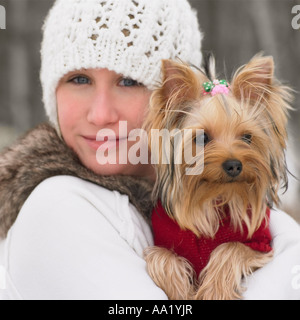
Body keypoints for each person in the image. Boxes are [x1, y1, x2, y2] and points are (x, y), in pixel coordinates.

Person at [0, 0, 299, 300]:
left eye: (128, 81)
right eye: (79, 79)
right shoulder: (57, 206)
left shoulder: (253, 219)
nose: (101, 114)